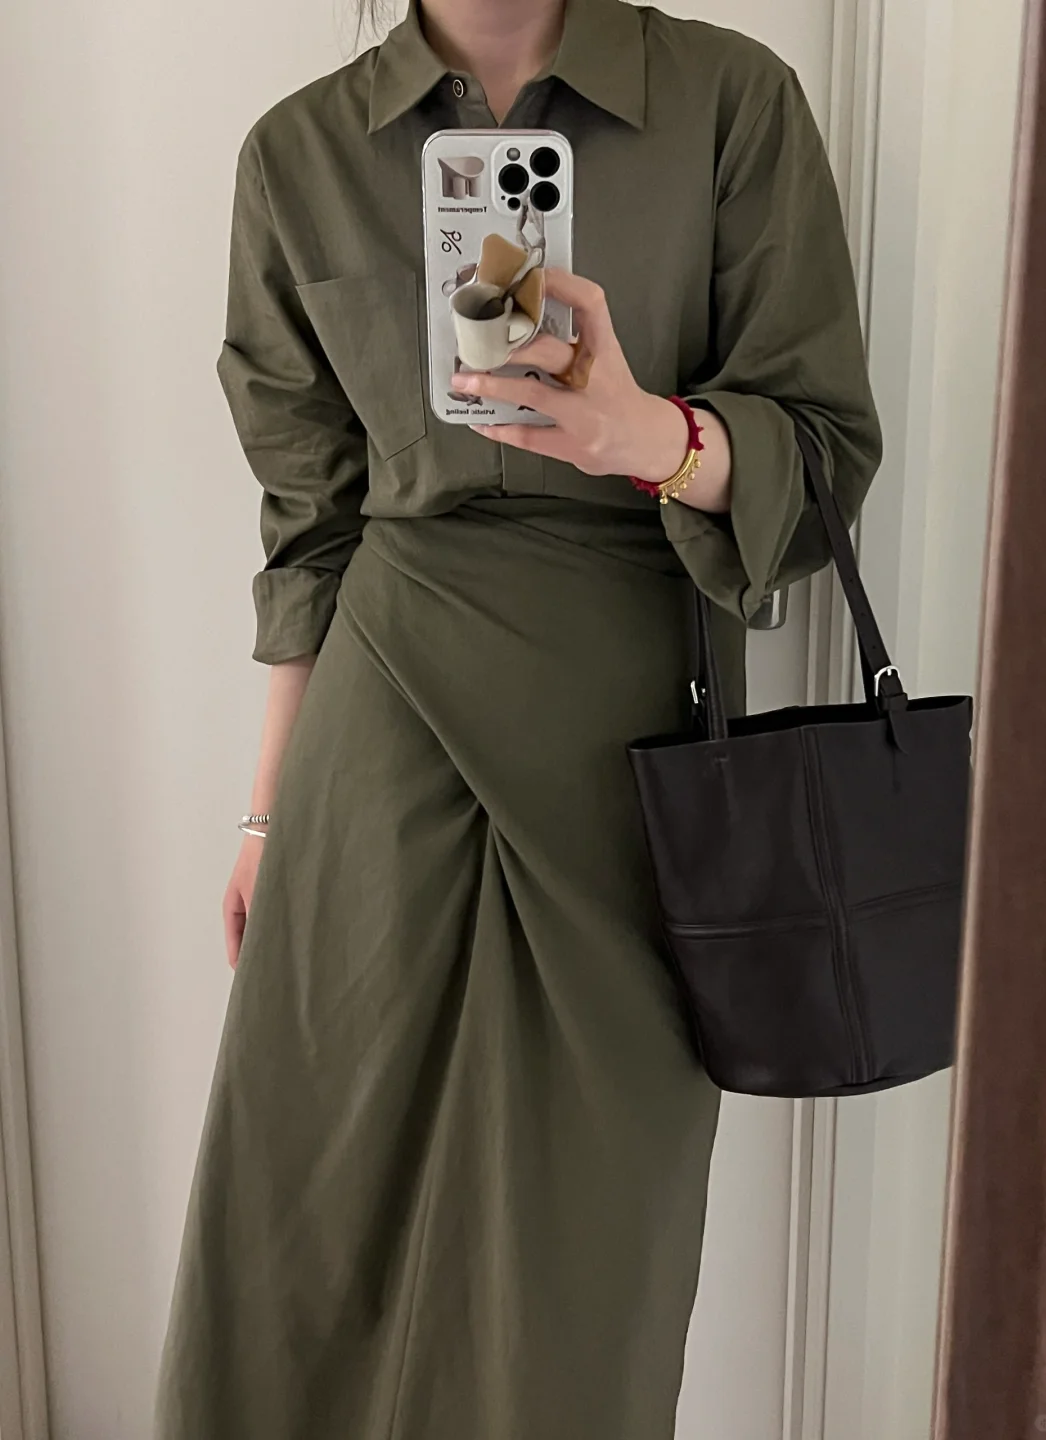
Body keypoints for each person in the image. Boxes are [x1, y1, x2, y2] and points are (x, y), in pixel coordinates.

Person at [153, 0, 882, 1435]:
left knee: (585, 1256)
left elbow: (823, 457)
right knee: (314, 1209)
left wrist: (648, 436)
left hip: (633, 747)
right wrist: (268, 811)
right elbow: (310, 524)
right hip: (382, 716)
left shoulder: (729, 101)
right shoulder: (300, 151)